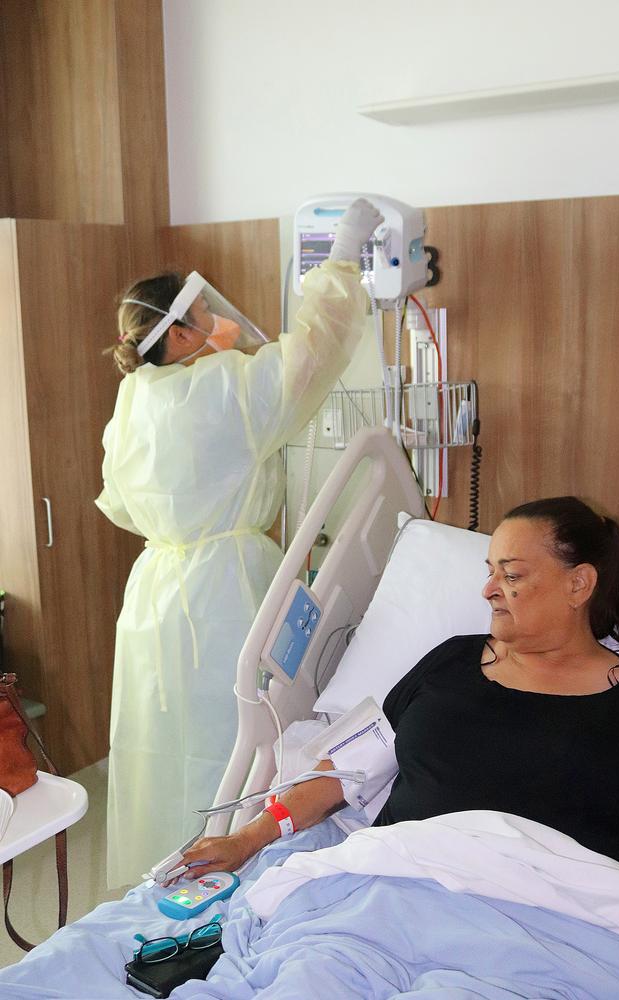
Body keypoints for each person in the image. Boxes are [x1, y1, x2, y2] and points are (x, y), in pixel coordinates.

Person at [96, 198, 384, 886]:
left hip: (155, 591)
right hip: (225, 582)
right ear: (184, 331)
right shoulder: (223, 387)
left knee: (161, 743)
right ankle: (237, 866)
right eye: (205, 318)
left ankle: (162, 868)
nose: (219, 325)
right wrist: (342, 255)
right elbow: (314, 351)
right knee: (233, 732)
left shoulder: (134, 399)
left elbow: (116, 501)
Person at [176, 496, 619, 880]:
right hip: (391, 884)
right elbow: (349, 766)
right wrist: (246, 839)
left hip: (548, 928)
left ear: (579, 584)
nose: (488, 589)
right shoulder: (452, 662)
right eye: (490, 571)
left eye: (511, 574)